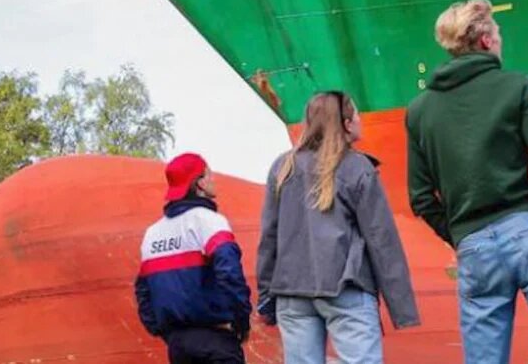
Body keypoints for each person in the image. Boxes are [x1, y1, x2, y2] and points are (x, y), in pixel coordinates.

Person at [405, 0, 528, 364]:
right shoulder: (517, 87)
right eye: (499, 33)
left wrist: (460, 234)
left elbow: (421, 197)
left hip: (474, 247)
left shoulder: (419, 111)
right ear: (487, 41)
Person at [257, 91, 420, 364]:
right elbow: (382, 241)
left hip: (292, 292)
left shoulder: (282, 167)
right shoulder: (357, 167)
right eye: (356, 114)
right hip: (346, 288)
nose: (360, 119)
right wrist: (401, 308)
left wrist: (265, 297)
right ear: (345, 123)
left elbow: (269, 237)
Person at [134, 153, 253, 364]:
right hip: (217, 340)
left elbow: (143, 292)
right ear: (198, 184)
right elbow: (230, 273)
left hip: (178, 345)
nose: (213, 179)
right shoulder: (209, 221)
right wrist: (242, 320)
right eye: (209, 174)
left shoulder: (152, 234)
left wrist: (165, 333)